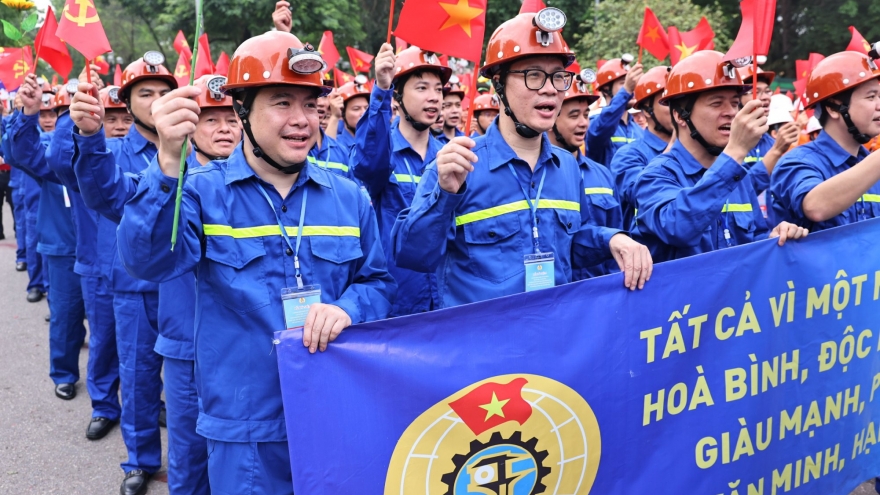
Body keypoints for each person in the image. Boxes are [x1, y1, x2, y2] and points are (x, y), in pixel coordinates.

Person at [104, 31, 394, 493]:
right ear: (242, 110)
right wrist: (165, 165)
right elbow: (145, 262)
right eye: (282, 102)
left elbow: (377, 283)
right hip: (246, 433)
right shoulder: (201, 191)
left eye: (310, 104)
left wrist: (349, 309)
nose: (302, 120)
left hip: (334, 413)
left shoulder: (348, 195)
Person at [392, 8, 652, 309]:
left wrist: (611, 240)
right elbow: (413, 256)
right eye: (533, 75)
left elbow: (568, 245)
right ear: (499, 84)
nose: (550, 89)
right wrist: (445, 194)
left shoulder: (567, 165)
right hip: (482, 345)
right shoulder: (457, 163)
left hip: (553, 337)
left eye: (558, 76)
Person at [68, 52, 176, 495]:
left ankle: (197, 463)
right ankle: (140, 461)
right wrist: (88, 133)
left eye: (163, 94)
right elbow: (102, 192)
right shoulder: (109, 149)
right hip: (133, 287)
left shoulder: (195, 145)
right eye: (144, 94)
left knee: (192, 380)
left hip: (184, 285)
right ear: (126, 103)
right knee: (137, 377)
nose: (154, 102)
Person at [634, 51, 808, 262]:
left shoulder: (738, 176)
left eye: (735, 103)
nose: (731, 113)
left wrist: (773, 239)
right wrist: (735, 152)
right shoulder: (656, 175)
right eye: (716, 103)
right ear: (680, 115)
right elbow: (678, 227)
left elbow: (753, 240)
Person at [351, 45, 449, 316]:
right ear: (398, 96)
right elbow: (368, 163)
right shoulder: (385, 151)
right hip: (397, 301)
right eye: (421, 88)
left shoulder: (449, 154)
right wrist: (380, 89)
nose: (433, 98)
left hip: (445, 299)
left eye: (438, 89)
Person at [9, 74, 88, 406]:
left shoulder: (106, 153)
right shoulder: (51, 155)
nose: (72, 121)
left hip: (105, 251)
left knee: (115, 326)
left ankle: (121, 388)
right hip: (63, 249)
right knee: (66, 317)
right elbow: (20, 152)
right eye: (64, 115)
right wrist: (26, 115)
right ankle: (65, 374)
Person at [771, 51, 880, 232]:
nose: (879, 104)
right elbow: (815, 206)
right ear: (833, 108)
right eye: (871, 97)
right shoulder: (797, 162)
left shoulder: (870, 164)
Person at [547, 71, 623, 280]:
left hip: (599, 297)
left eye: (586, 114)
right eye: (574, 115)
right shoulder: (537, 175)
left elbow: (617, 240)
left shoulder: (603, 176)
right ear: (551, 117)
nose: (583, 123)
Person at [609, 66, 672, 231]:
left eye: (682, 101)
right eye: (667, 102)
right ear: (647, 110)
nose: (677, 109)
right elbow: (645, 196)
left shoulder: (701, 153)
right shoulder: (628, 156)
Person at [736, 66, 800, 195]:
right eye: (756, 91)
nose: (765, 97)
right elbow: (741, 191)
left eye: (767, 91)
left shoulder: (770, 142)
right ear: (737, 99)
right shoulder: (726, 143)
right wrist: (775, 152)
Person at [587, 56, 644, 167]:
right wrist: (626, 90)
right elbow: (603, 126)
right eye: (623, 83)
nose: (632, 89)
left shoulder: (639, 130)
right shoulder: (594, 123)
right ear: (606, 90)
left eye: (632, 84)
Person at [325, 75, 370, 151]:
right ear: (342, 113)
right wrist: (335, 116)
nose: (363, 113)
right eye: (356, 109)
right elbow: (327, 153)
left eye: (366, 108)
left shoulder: (376, 142)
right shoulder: (338, 144)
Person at [438, 75, 465, 144]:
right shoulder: (428, 141)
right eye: (448, 105)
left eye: (458, 105)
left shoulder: (466, 139)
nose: (455, 110)